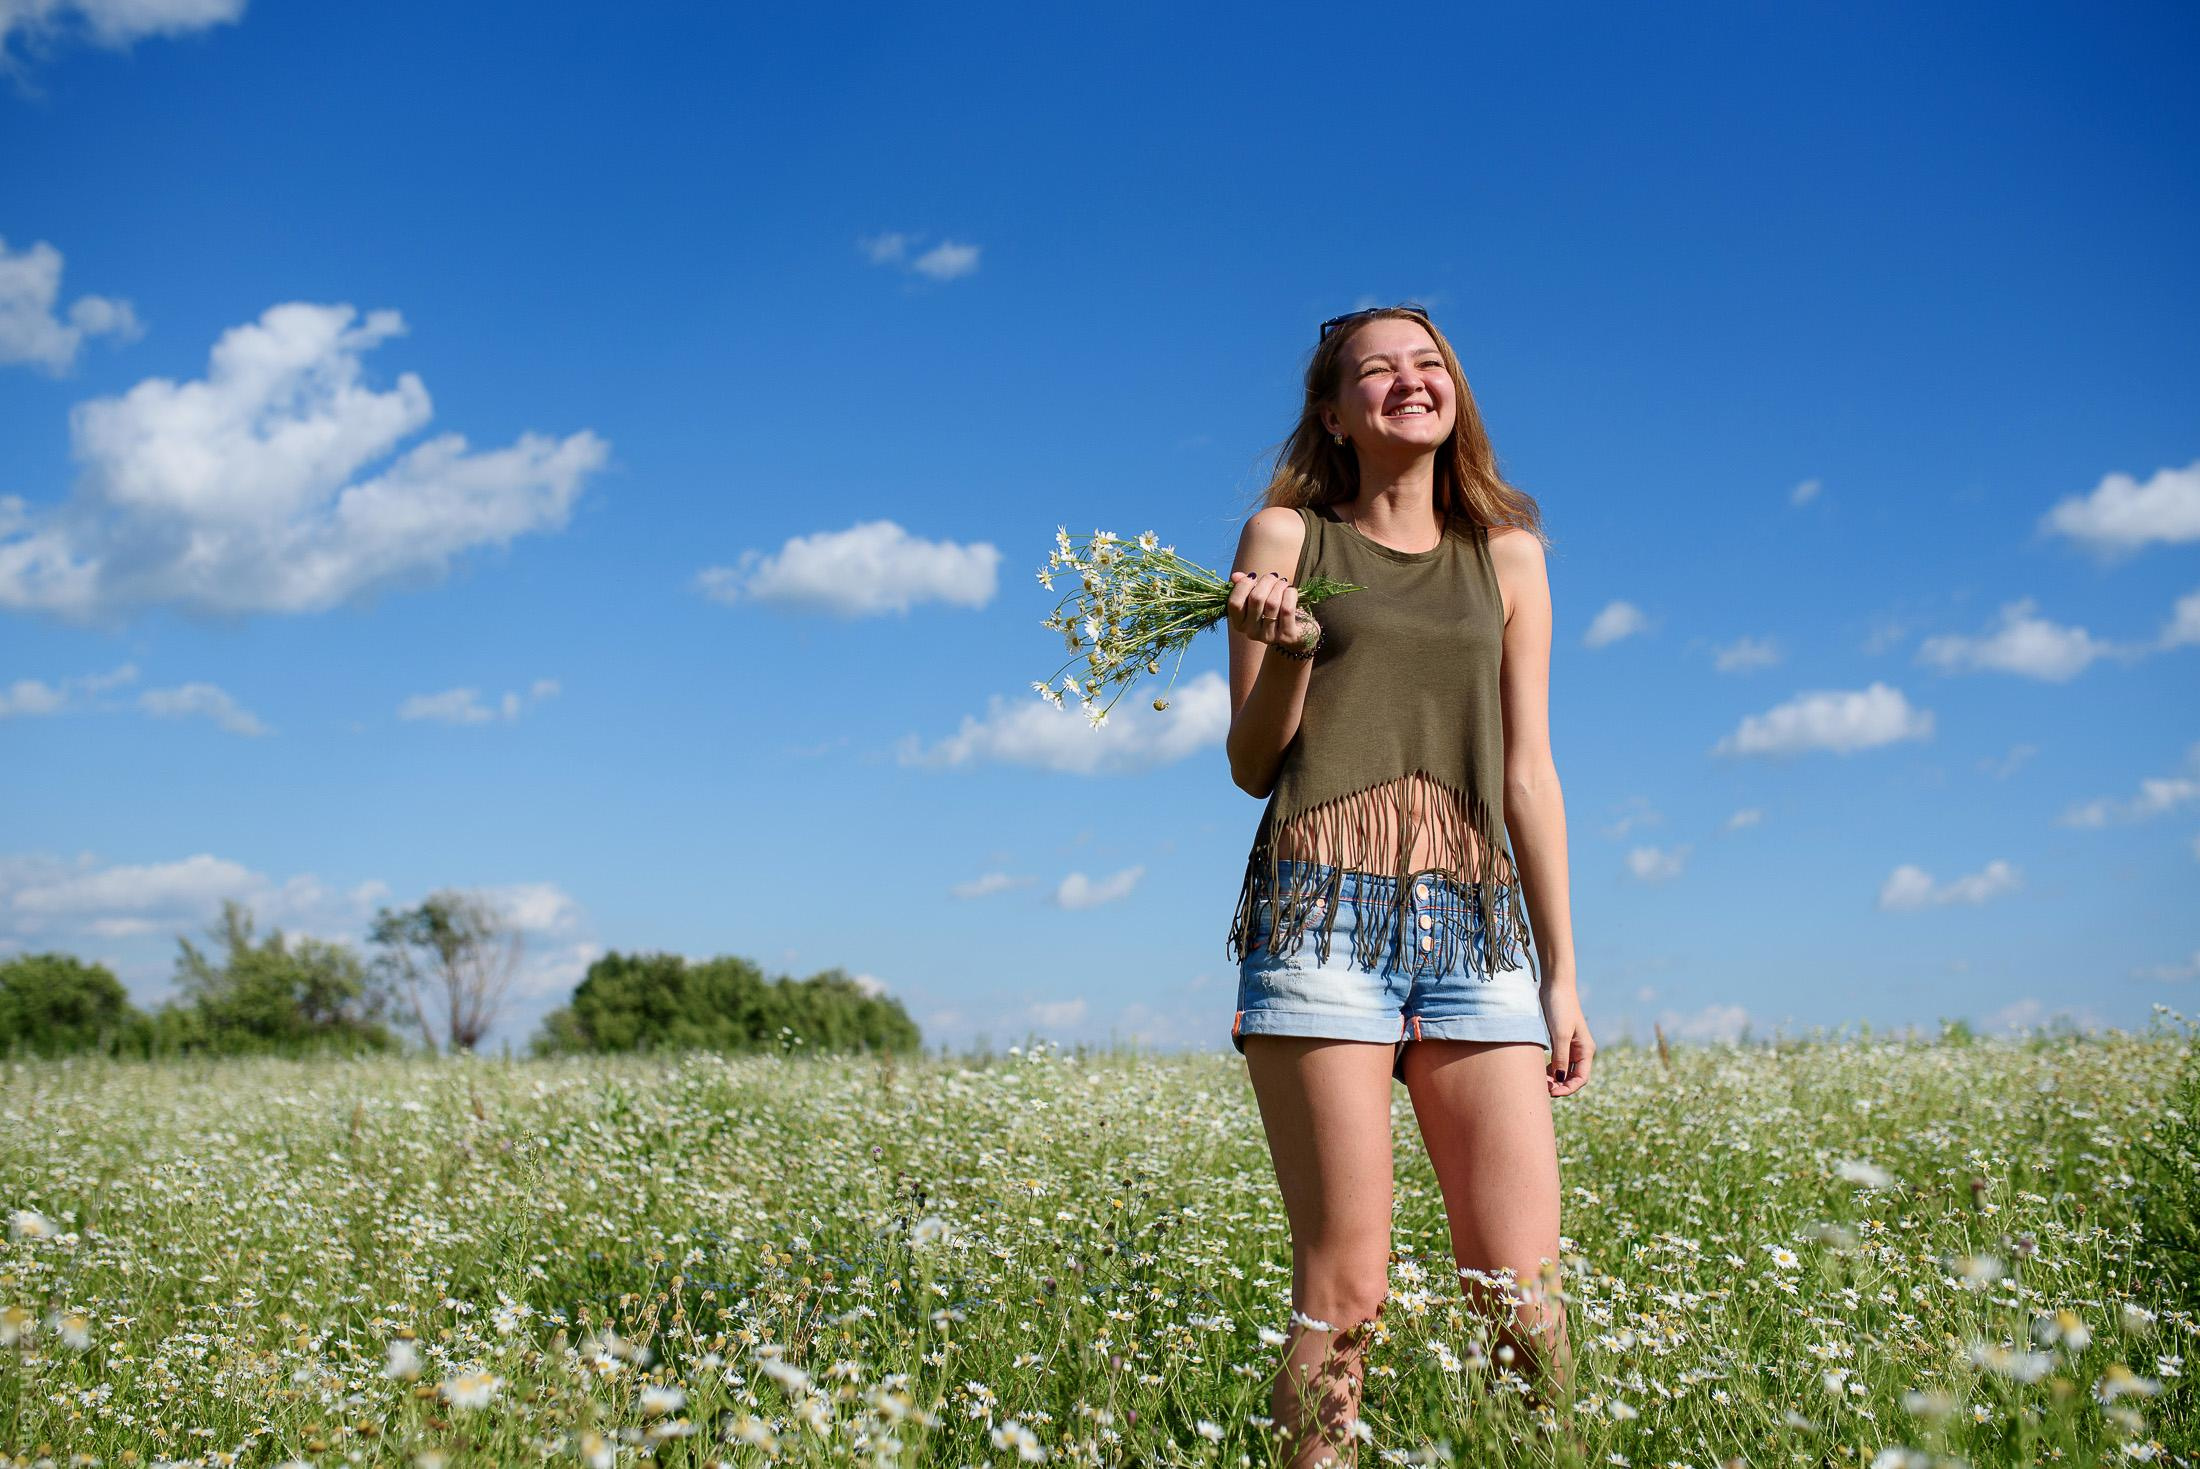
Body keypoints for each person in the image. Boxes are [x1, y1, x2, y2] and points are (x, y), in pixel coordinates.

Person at [1222, 303, 1593, 1466]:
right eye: (1374, 370)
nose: (1408, 381)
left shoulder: (1509, 556)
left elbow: (1528, 769)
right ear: (1334, 413)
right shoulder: (1285, 536)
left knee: (1523, 1291)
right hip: (1322, 913)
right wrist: (1292, 652)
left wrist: (1562, 974)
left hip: (1477, 929)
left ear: (1455, 391)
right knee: (1346, 1286)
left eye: (1427, 363)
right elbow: (1250, 762)